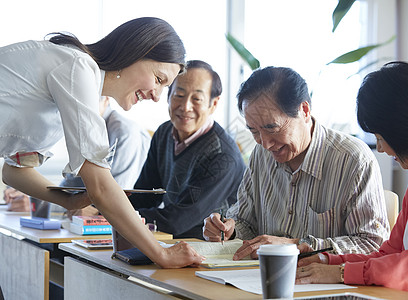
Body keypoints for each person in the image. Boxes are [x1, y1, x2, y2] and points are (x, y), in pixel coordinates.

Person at [0, 17, 203, 268]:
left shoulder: (70, 92)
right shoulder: (78, 68)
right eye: (159, 79)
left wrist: (68, 200)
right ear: (134, 52)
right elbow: (101, 186)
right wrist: (161, 254)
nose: (156, 96)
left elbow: (14, 171)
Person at [296, 62, 408, 299]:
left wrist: (340, 273)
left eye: (380, 137)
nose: (380, 148)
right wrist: (327, 260)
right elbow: (391, 254)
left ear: (404, 130)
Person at [203, 66, 390, 260]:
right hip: (259, 279)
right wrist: (228, 229)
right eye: (254, 131)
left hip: (324, 286)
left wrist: (295, 246)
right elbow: (245, 221)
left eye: (271, 128)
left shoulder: (353, 160)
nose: (265, 143)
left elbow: (372, 245)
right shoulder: (261, 154)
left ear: (304, 110)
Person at [129, 60, 246, 239]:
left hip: (209, 253)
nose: (185, 107)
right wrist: (98, 213)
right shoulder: (164, 133)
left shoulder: (223, 156)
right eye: (179, 95)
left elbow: (177, 221)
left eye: (197, 99)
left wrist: (115, 217)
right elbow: (145, 195)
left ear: (213, 104)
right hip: (168, 244)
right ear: (168, 96)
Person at [3, 96, 151, 215]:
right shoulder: (84, 131)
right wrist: (34, 198)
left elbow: (112, 200)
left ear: (106, 100)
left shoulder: (125, 133)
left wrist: (40, 204)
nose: (79, 111)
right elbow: (68, 189)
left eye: (88, 102)